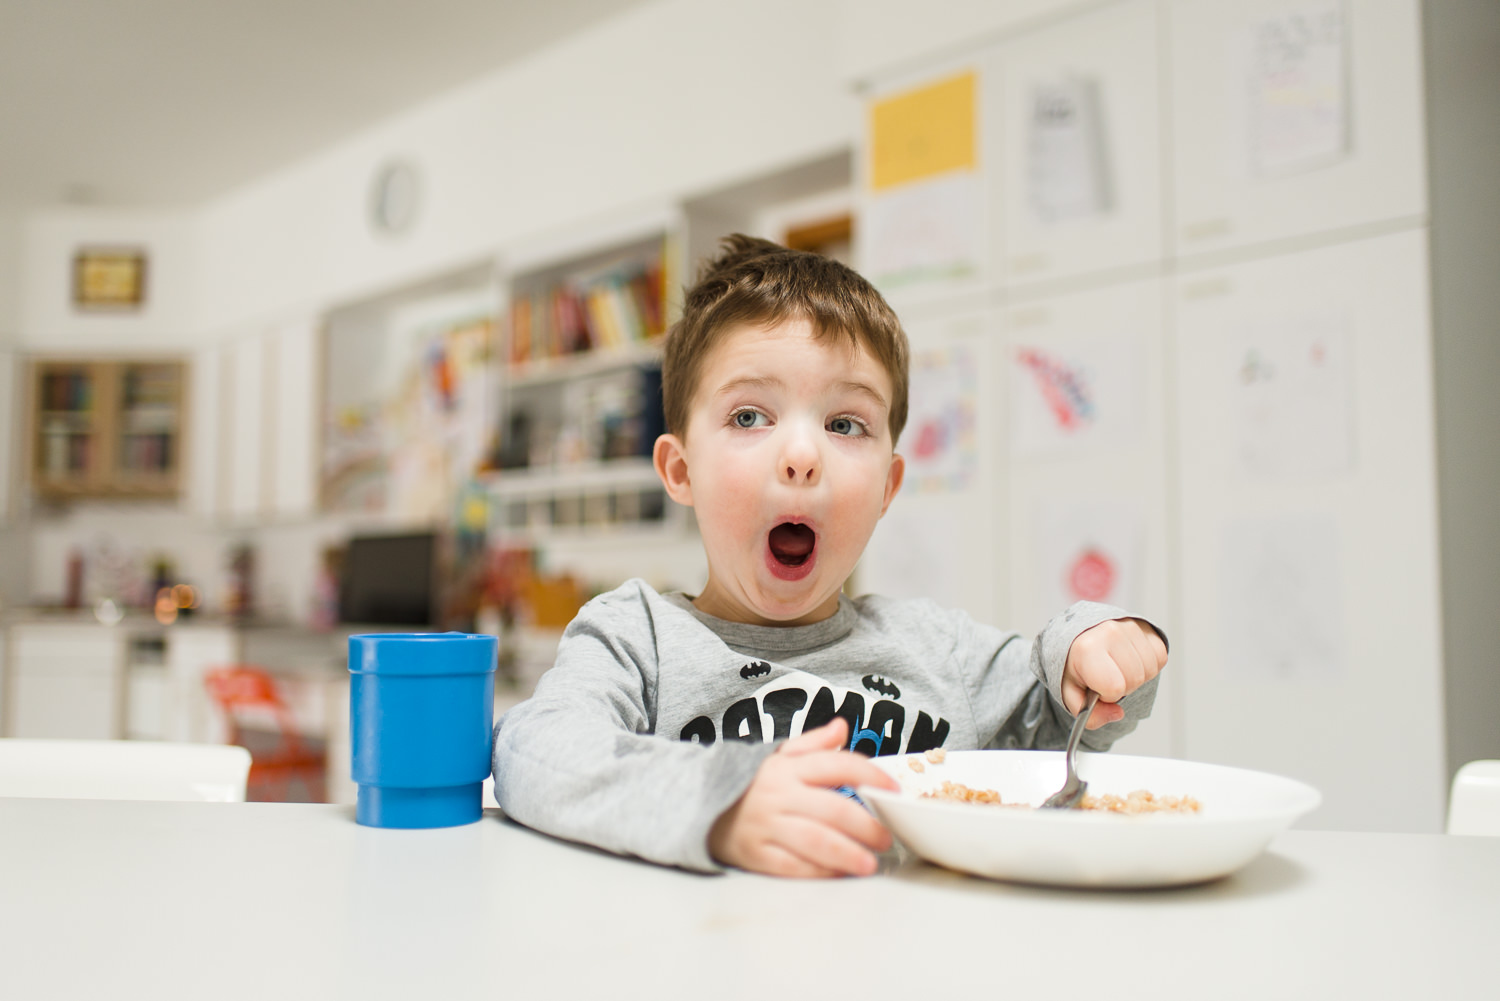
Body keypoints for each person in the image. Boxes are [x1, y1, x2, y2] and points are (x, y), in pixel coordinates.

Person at [492, 234, 1167, 877]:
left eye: (845, 424)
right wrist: (718, 805)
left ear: (887, 488)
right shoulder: (637, 639)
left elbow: (1053, 703)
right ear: (680, 469)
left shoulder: (937, 650)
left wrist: (1093, 645)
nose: (802, 455)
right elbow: (536, 751)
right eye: (750, 416)